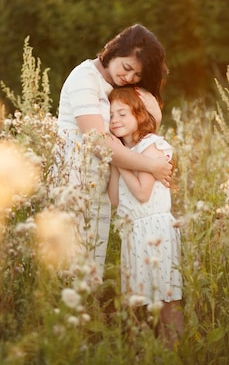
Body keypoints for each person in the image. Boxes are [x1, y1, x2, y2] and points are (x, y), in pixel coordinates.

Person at [56, 24, 172, 282]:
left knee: (90, 271)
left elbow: (135, 134)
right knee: (69, 269)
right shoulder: (84, 78)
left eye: (137, 75)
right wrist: (150, 165)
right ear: (113, 50)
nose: (129, 77)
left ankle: (85, 320)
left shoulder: (118, 88)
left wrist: (155, 115)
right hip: (73, 184)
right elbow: (97, 142)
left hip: (101, 186)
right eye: (127, 67)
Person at [107, 87, 183, 350]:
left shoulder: (152, 147)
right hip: (134, 232)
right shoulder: (127, 152)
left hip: (155, 230)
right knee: (142, 302)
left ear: (140, 115)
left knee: (166, 298)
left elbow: (141, 192)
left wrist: (119, 161)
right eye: (111, 115)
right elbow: (116, 199)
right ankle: (150, 352)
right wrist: (117, 158)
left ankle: (175, 351)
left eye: (122, 113)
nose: (114, 119)